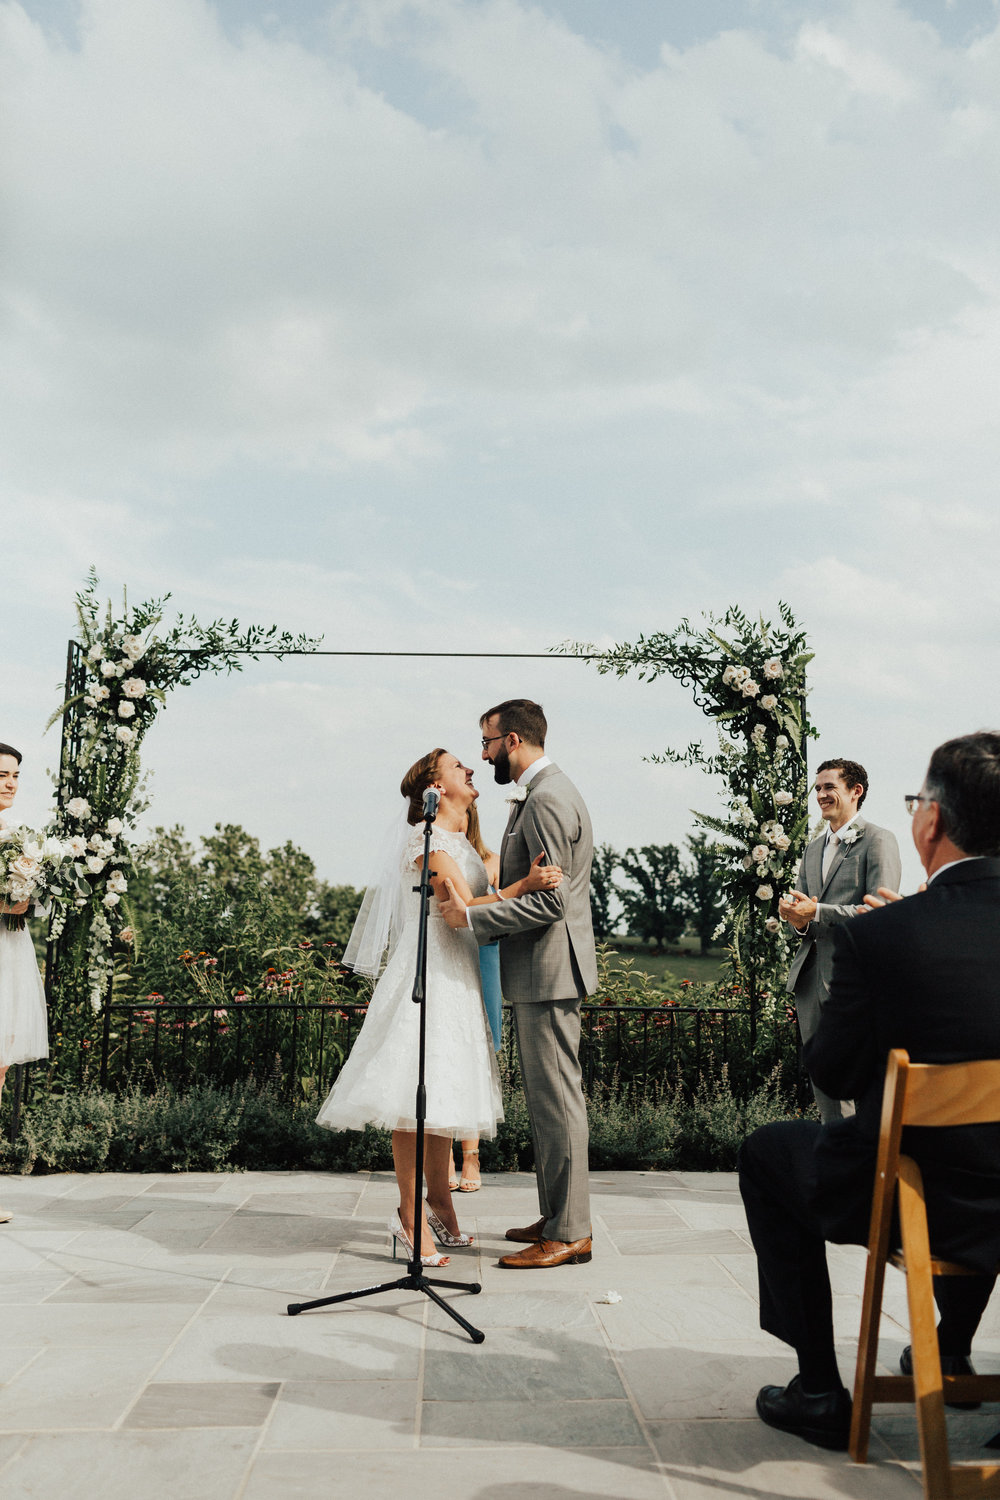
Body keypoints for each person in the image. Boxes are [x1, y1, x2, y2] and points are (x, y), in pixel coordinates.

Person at [739, 731, 1000, 1452]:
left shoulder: (885, 937)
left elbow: (832, 1071)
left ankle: (820, 1390)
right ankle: (948, 1346)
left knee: (768, 1152)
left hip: (916, 1196)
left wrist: (880, 952)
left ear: (931, 822)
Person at [316, 748, 562, 1266]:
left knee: (444, 1093)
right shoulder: (424, 843)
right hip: (428, 974)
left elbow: (483, 896)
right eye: (457, 766)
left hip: (460, 973)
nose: (470, 768)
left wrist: (511, 882)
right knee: (414, 1097)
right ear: (436, 786)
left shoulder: (465, 845)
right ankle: (408, 1217)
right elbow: (462, 908)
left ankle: (441, 1207)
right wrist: (525, 887)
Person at [439, 699, 597, 1270]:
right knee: (548, 1103)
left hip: (550, 972)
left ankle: (570, 1232)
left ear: (511, 740)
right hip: (540, 972)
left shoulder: (549, 798)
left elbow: (551, 900)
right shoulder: (541, 794)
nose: (481, 754)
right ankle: (557, 1215)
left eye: (486, 742)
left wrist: (473, 918)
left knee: (558, 1103)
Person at [778, 759, 901, 1123]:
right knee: (824, 1080)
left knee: (864, 1081)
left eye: (829, 787)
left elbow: (879, 913)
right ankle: (837, 1159)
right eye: (817, 788)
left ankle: (871, 1166)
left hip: (856, 980)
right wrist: (796, 919)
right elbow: (803, 916)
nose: (821, 795)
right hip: (809, 979)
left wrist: (816, 912)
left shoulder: (879, 840)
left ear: (855, 791)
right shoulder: (813, 849)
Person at [0, 744, 50, 1225]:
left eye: (15, 775)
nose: (10, 783)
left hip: (10, 953)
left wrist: (27, 903)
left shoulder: (21, 837)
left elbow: (36, 901)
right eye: (0, 775)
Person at [447, 804, 504, 1195]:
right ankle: (446, 1156)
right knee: (447, 1053)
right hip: (452, 950)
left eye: (468, 812)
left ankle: (471, 1154)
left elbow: (506, 907)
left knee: (477, 1052)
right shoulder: (441, 854)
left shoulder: (491, 860)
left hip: (485, 956)